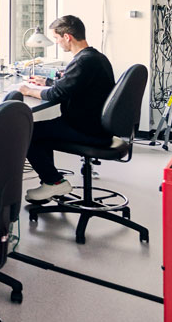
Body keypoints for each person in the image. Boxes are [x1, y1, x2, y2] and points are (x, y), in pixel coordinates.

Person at [18, 15, 117, 202]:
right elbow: (75, 84)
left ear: (67, 37)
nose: (56, 43)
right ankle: (51, 183)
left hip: (86, 130)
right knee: (40, 132)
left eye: (56, 38)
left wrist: (29, 90)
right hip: (96, 126)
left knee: (28, 131)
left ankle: (53, 182)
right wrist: (46, 82)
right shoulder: (96, 57)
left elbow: (56, 94)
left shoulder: (82, 61)